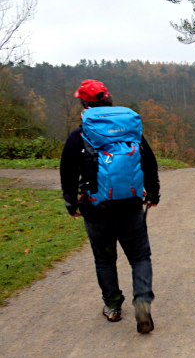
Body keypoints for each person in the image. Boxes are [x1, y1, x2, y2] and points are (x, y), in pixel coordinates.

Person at [60, 79, 161, 334]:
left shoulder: (79, 135)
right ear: (109, 100)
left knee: (104, 260)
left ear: (84, 103)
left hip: (96, 210)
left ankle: (113, 306)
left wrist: (71, 204)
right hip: (130, 208)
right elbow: (149, 163)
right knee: (139, 256)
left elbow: (68, 173)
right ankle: (142, 301)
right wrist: (154, 194)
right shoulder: (131, 131)